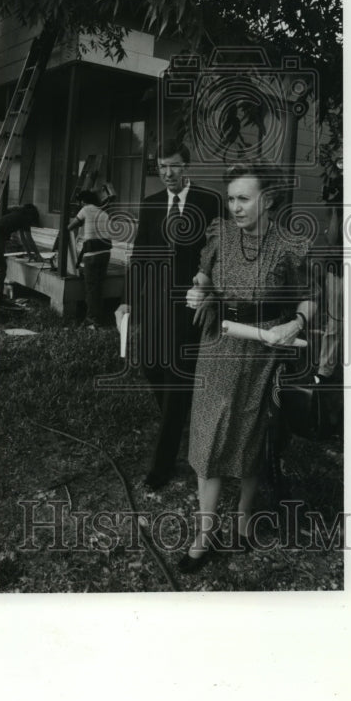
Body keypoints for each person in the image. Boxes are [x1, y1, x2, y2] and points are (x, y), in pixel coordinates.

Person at [179, 162, 317, 574]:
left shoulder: (291, 246)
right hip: (220, 344)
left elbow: (309, 297)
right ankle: (204, 535)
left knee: (253, 435)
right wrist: (197, 292)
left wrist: (296, 323)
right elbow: (203, 278)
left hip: (265, 350)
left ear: (268, 199)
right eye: (231, 199)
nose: (235, 207)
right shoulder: (220, 234)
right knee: (211, 435)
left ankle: (241, 522)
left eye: (244, 198)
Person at [115, 140, 224, 490]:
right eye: (162, 167)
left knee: (176, 380)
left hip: (191, 305)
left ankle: (161, 467)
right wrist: (128, 300)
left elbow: (219, 252)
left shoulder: (208, 202)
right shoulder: (150, 206)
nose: (167, 173)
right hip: (155, 305)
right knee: (151, 365)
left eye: (174, 166)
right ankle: (178, 420)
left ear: (186, 166)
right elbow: (140, 258)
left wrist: (211, 292)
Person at [67, 190, 113, 328]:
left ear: (83, 201)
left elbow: (70, 227)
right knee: (99, 286)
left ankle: (92, 320)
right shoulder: (103, 212)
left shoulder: (85, 209)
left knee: (91, 288)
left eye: (79, 202)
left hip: (92, 254)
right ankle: (99, 316)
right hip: (105, 253)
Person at [0, 203, 40, 313]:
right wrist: (38, 255)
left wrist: (30, 255)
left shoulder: (18, 215)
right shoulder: (25, 219)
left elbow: (23, 239)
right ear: (30, 215)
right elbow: (29, 239)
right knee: (0, 268)